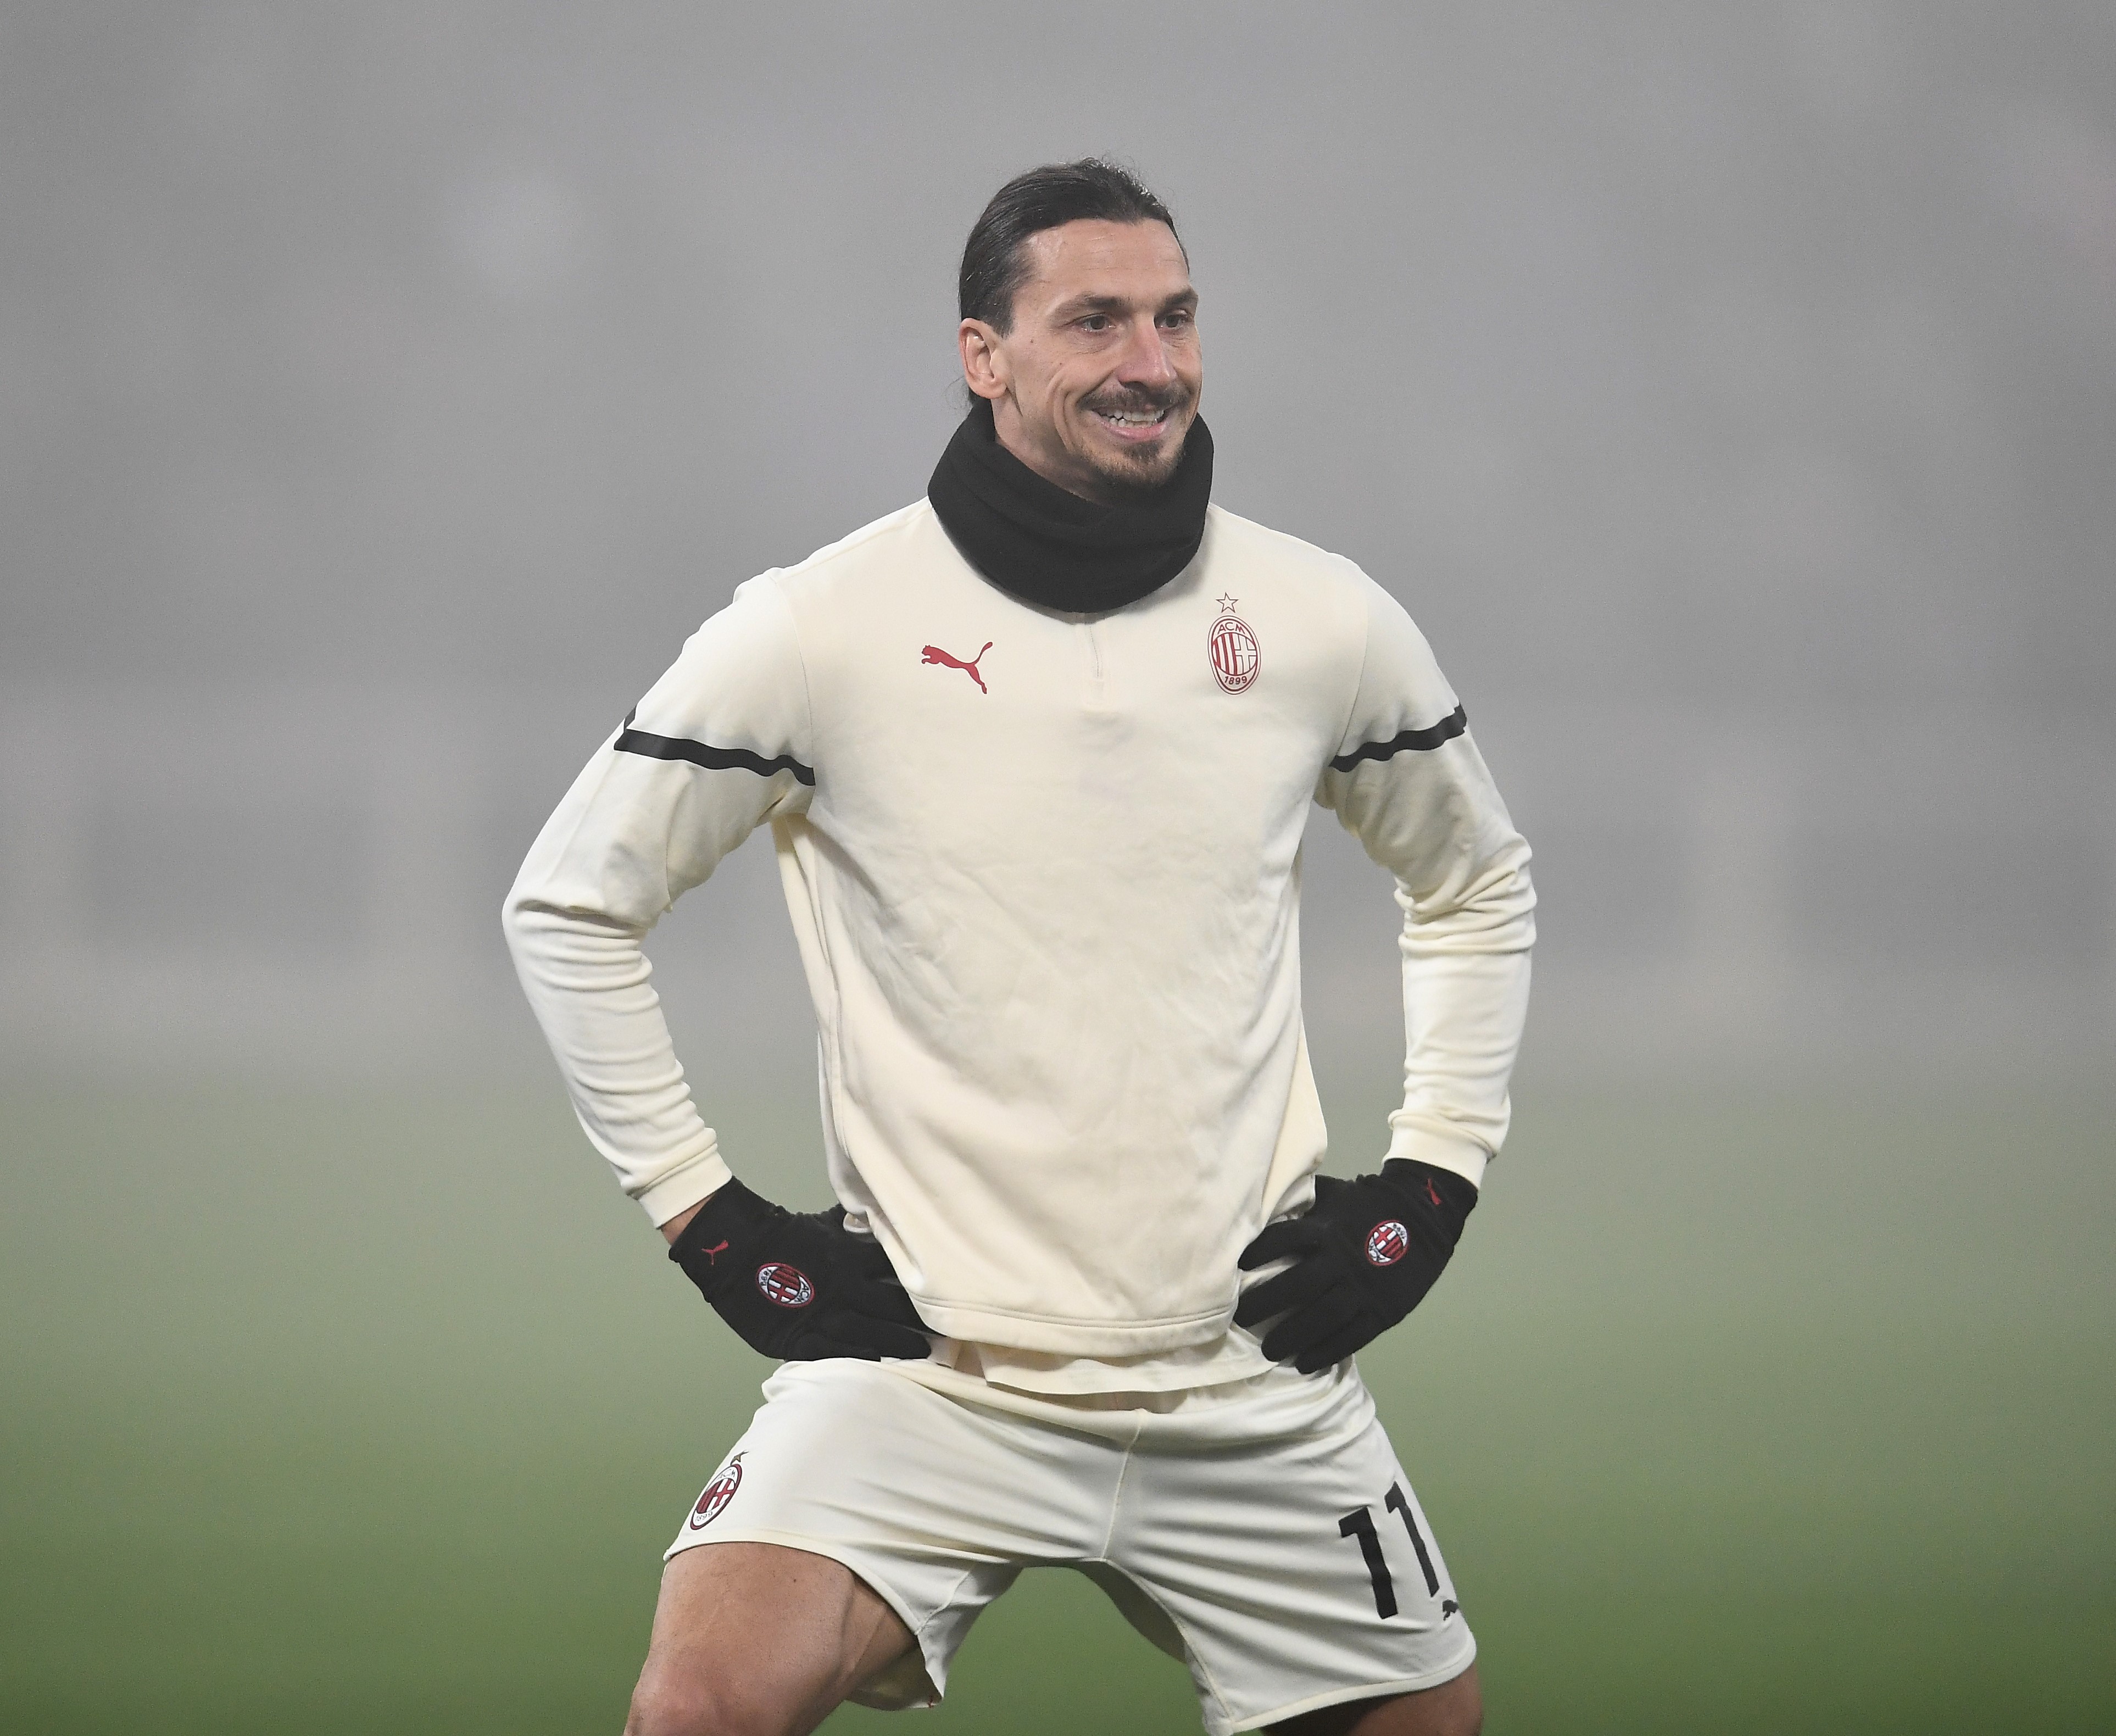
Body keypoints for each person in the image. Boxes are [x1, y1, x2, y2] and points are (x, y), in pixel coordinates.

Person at [504, 158, 1533, 1736]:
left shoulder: (1320, 620)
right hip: (930, 1366)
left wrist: (1436, 1177)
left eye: (1177, 317)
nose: (1154, 362)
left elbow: (1474, 882)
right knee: (698, 1711)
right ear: (983, 355)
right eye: (1097, 321)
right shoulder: (818, 627)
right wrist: (705, 1219)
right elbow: (570, 905)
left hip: (1244, 1370)